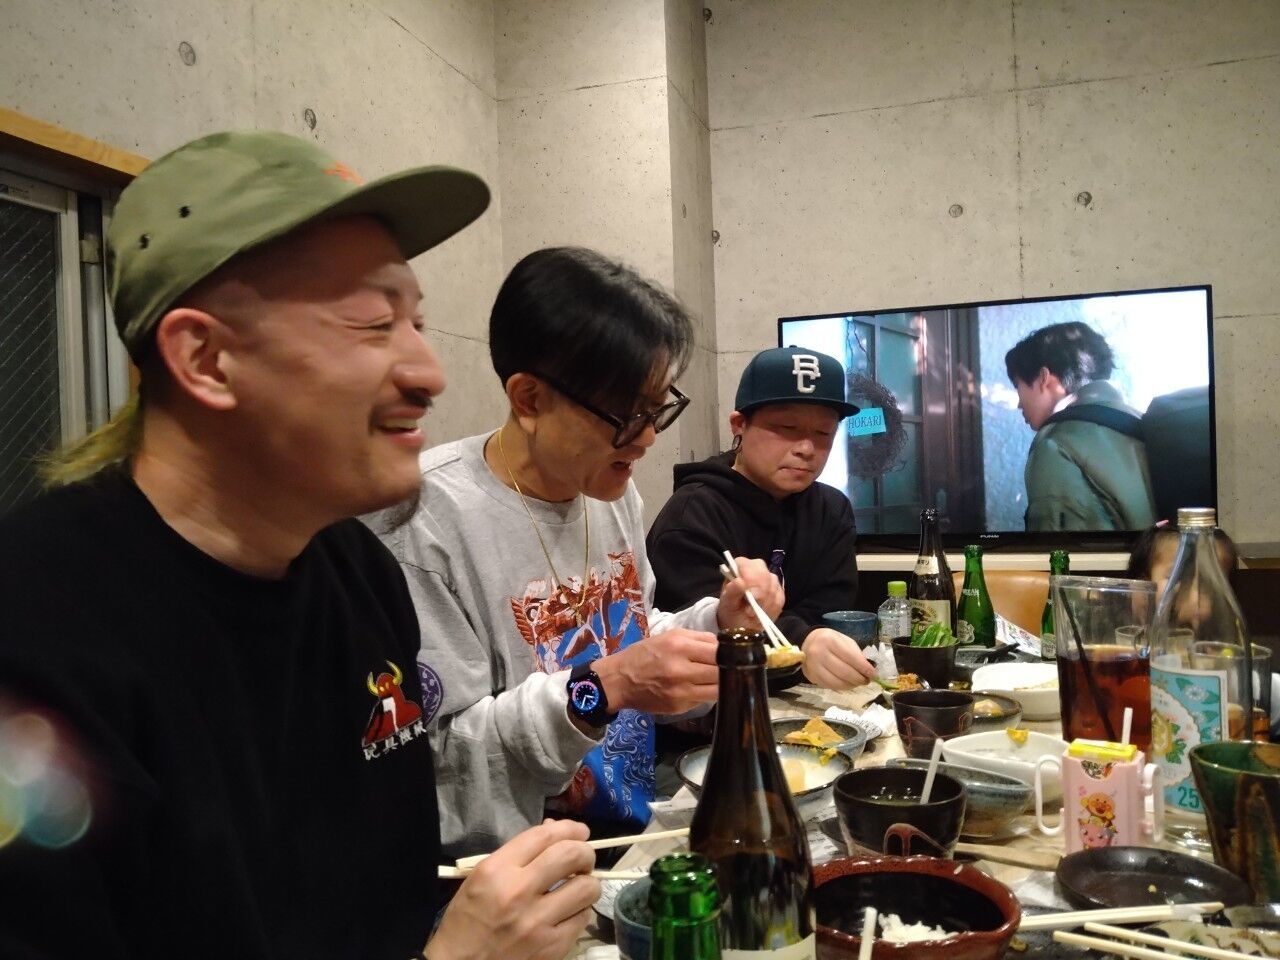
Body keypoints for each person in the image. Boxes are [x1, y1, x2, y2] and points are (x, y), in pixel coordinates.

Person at [0, 131, 598, 960]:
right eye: (373, 324)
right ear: (207, 359)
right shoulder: (36, 637)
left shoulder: (360, 573)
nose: (429, 373)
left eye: (417, 321)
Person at [369, 247, 783, 858]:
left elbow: (631, 637)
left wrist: (718, 622)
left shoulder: (610, 491)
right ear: (530, 399)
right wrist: (604, 686)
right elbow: (442, 755)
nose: (647, 437)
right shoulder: (422, 521)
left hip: (628, 830)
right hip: (513, 870)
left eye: (657, 409)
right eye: (628, 414)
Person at [646, 347, 875, 690]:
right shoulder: (693, 513)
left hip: (806, 695)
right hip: (711, 701)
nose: (806, 448)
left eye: (823, 432)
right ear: (739, 425)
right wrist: (803, 640)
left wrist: (812, 640)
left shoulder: (832, 510)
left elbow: (829, 612)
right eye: (787, 427)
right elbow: (700, 631)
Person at [1006, 321, 1157, 532]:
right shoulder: (1139, 420)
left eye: (1018, 387)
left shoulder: (1055, 445)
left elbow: (1063, 548)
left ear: (1044, 378)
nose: (1019, 404)